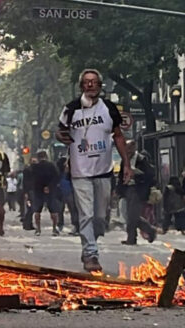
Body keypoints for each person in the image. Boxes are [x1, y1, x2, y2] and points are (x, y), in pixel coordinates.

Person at [56, 68, 131, 272]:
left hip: (103, 171)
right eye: (86, 82)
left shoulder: (109, 109)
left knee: (99, 218)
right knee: (86, 214)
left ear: (99, 86)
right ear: (81, 86)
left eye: (94, 82)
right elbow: (59, 131)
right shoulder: (71, 109)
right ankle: (91, 254)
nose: (90, 85)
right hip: (80, 172)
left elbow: (118, 136)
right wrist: (60, 137)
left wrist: (127, 164)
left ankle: (90, 242)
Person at [119, 142, 157, 245]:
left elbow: (150, 175)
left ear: (134, 148)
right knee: (131, 215)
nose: (128, 151)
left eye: (130, 149)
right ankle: (149, 230)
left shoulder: (141, 159)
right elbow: (121, 175)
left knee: (132, 216)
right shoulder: (124, 160)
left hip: (138, 189)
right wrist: (119, 190)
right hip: (128, 189)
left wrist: (137, 174)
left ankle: (132, 238)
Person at [29, 150, 61, 236]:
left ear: (38, 158)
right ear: (46, 156)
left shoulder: (35, 167)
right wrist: (49, 186)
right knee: (53, 211)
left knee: (37, 211)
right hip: (50, 191)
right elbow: (57, 177)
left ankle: (38, 229)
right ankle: (54, 228)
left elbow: (32, 179)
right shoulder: (51, 166)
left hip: (38, 191)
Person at [56, 157, 79, 235]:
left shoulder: (70, 173)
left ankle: (75, 225)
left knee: (73, 210)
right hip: (61, 193)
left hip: (69, 192)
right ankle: (60, 225)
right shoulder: (59, 173)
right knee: (60, 210)